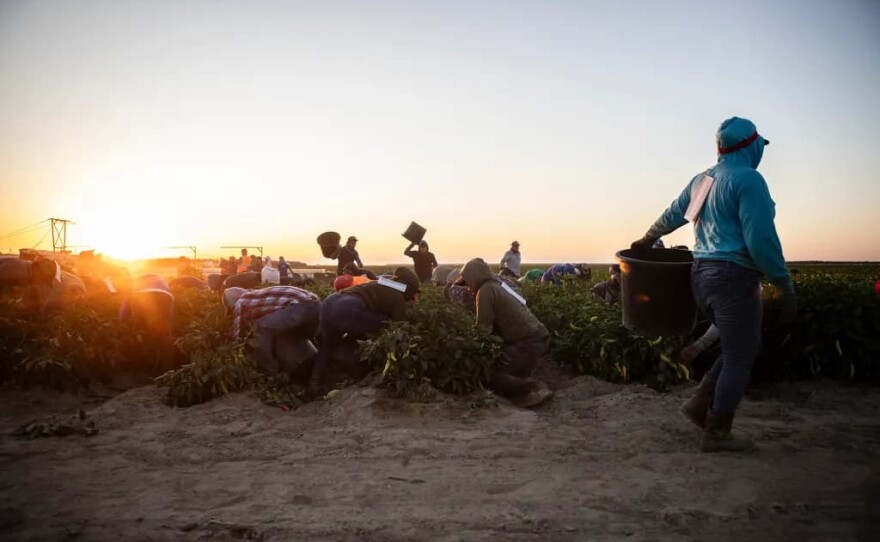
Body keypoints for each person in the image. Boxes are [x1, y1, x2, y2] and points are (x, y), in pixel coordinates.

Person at [630, 116, 796, 452]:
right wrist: (783, 283)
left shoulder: (703, 181)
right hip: (734, 277)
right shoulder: (749, 180)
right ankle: (718, 432)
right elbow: (761, 239)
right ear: (751, 146)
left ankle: (698, 404)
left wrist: (648, 239)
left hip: (701, 275)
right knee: (740, 356)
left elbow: (674, 214)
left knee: (739, 347)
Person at [458, 258, 553, 408]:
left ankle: (536, 388)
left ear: (474, 278)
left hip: (528, 342)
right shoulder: (498, 285)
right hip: (539, 337)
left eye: (467, 283)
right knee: (511, 368)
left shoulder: (485, 291)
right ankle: (524, 382)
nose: (468, 288)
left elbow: (483, 330)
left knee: (492, 375)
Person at [309, 267, 421, 393]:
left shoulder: (384, 281)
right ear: (408, 289)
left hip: (330, 303)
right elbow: (400, 326)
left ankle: (315, 384)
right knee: (386, 325)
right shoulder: (398, 299)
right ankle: (354, 367)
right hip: (348, 308)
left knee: (325, 346)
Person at [227, 285, 321, 377]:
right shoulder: (255, 296)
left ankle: (270, 370)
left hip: (301, 306)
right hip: (315, 305)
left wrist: (235, 346)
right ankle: (316, 363)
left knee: (261, 328)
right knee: (285, 332)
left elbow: (237, 331)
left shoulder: (240, 301)